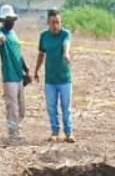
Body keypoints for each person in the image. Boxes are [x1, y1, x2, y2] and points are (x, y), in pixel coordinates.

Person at [35, 9, 74, 142]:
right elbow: (41, 54)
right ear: (48, 23)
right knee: (52, 107)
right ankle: (55, 131)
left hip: (64, 79)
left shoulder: (65, 34)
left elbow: (66, 45)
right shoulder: (44, 36)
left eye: (58, 22)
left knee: (66, 108)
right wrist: (36, 70)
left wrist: (66, 54)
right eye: (53, 22)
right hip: (50, 79)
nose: (56, 25)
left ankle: (69, 133)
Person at [0, 5, 27, 142]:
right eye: (8, 19)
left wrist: (27, 70)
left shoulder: (14, 34)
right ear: (3, 20)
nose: (11, 21)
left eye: (12, 19)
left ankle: (17, 129)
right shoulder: (0, 33)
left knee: (21, 107)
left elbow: (19, 54)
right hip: (9, 77)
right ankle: (12, 133)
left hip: (19, 75)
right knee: (12, 106)